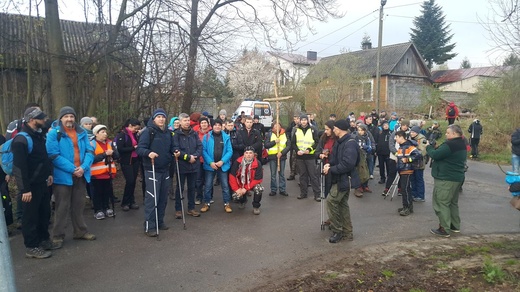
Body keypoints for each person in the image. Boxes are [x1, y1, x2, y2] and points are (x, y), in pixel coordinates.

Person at [46, 106, 96, 248]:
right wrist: (73, 169)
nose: (69, 119)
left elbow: (89, 150)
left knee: (79, 205)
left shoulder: (81, 133)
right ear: (60, 118)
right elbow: (53, 155)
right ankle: (58, 236)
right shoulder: (54, 134)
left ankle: (80, 231)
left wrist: (83, 168)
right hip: (63, 177)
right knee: (62, 207)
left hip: (81, 174)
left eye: (72, 116)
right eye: (66, 116)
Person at [12, 107, 55, 258]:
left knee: (44, 214)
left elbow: (43, 158)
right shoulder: (21, 140)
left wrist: (49, 174)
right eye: (41, 117)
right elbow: (19, 167)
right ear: (32, 120)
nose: (44, 120)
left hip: (42, 183)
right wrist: (25, 190)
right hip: (29, 187)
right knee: (30, 217)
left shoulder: (39, 136)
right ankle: (31, 246)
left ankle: (44, 239)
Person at [136, 108, 176, 237]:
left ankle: (160, 221)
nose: (161, 119)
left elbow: (172, 147)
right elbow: (140, 149)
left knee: (163, 197)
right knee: (152, 198)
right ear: (154, 119)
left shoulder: (168, 133)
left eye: (163, 117)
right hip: (152, 169)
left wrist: (175, 151)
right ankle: (150, 226)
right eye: (158, 117)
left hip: (165, 169)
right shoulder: (148, 132)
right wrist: (149, 153)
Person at [426, 124, 467, 237]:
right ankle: (454, 225)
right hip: (457, 177)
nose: (446, 134)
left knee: (441, 202)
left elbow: (436, 154)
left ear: (454, 133)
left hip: (446, 178)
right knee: (452, 203)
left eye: (448, 132)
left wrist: (429, 147)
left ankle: (444, 228)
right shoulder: (462, 143)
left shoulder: (450, 144)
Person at [322, 119, 358, 243]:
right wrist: (329, 165)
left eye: (334, 128)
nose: (333, 130)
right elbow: (335, 158)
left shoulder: (350, 143)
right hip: (339, 177)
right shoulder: (340, 142)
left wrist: (332, 169)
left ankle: (337, 231)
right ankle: (348, 233)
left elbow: (348, 164)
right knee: (342, 204)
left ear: (339, 129)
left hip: (345, 178)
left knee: (331, 201)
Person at [173, 113, 202, 219]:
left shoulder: (194, 133)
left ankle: (191, 208)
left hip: (194, 165)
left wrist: (195, 156)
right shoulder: (176, 134)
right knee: (180, 188)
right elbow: (176, 149)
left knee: (192, 188)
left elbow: (199, 146)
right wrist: (187, 157)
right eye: (185, 120)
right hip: (181, 165)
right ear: (180, 122)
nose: (187, 122)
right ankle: (178, 209)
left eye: (188, 120)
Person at [200, 120, 233, 213]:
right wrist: (210, 162)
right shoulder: (206, 137)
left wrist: (222, 161)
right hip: (210, 165)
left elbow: (230, 151)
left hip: (222, 165)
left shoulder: (226, 137)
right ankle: (207, 203)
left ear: (222, 126)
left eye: (219, 125)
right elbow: (203, 151)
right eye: (215, 125)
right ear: (212, 126)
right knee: (208, 185)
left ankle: (227, 203)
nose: (217, 127)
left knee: (225, 185)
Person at [90, 125, 119, 220]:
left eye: (105, 132)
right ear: (96, 134)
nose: (105, 134)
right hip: (96, 174)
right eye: (102, 132)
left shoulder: (110, 143)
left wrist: (113, 153)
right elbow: (91, 159)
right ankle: (98, 210)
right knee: (97, 193)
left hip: (108, 173)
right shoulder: (91, 144)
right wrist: (104, 154)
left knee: (107, 192)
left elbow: (117, 156)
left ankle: (106, 207)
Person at [291, 114, 320, 201]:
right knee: (302, 175)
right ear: (300, 121)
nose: (303, 122)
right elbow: (293, 143)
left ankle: (317, 194)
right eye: (302, 120)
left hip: (310, 156)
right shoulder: (296, 130)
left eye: (305, 120)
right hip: (300, 156)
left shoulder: (313, 129)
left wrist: (309, 149)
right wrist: (297, 151)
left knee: (313, 175)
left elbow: (317, 142)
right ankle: (303, 193)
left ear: (308, 121)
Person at [115, 118, 142, 211]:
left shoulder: (135, 135)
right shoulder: (122, 135)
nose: (136, 130)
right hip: (126, 161)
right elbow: (120, 149)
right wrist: (133, 148)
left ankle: (131, 201)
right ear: (130, 126)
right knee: (129, 181)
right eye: (135, 128)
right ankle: (125, 202)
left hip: (135, 160)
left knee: (133, 182)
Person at [228, 146, 263, 215]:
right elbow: (232, 176)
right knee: (235, 196)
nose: (248, 155)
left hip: (251, 183)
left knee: (259, 188)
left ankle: (256, 206)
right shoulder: (237, 162)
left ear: (253, 154)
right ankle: (242, 201)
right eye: (246, 153)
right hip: (240, 183)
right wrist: (237, 189)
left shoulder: (257, 163)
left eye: (250, 153)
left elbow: (258, 179)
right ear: (244, 154)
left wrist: (246, 188)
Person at [395, 130, 421, 216]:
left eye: (397, 137)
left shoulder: (409, 146)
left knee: (405, 189)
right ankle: (408, 206)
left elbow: (418, 155)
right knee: (406, 189)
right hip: (402, 170)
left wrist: (407, 160)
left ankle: (407, 207)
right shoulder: (401, 147)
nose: (395, 139)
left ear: (401, 137)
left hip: (407, 170)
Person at [264, 122, 290, 197]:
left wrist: (282, 153)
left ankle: (282, 189)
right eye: (275, 126)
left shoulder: (285, 134)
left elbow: (288, 146)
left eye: (278, 126)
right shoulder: (269, 134)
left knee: (281, 174)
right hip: (272, 157)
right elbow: (266, 145)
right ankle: (273, 189)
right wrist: (274, 142)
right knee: (273, 175)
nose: (277, 128)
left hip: (282, 157)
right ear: (273, 127)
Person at [315, 120, 337, 198]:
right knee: (326, 186)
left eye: (327, 129)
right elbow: (317, 151)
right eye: (325, 129)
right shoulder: (323, 138)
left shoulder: (337, 140)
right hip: (324, 165)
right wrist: (320, 155)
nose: (325, 131)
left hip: (333, 166)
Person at [194, 117, 212, 205]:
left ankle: (209, 197)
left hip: (209, 160)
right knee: (198, 180)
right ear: (199, 124)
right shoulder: (195, 133)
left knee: (208, 179)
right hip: (198, 160)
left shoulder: (211, 133)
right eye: (202, 123)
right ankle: (199, 197)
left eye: (205, 123)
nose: (204, 124)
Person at [409, 126, 427, 202]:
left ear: (417, 133)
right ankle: (414, 194)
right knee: (412, 179)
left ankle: (420, 195)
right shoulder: (411, 139)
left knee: (419, 179)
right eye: (411, 132)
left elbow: (422, 151)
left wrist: (413, 153)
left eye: (413, 132)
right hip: (412, 162)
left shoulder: (422, 140)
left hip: (419, 163)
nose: (411, 133)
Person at [286, 114, 300, 180]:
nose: (296, 120)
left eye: (297, 119)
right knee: (292, 159)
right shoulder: (293, 126)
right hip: (293, 145)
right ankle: (292, 173)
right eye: (295, 119)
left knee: (300, 162)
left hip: (301, 146)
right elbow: (289, 133)